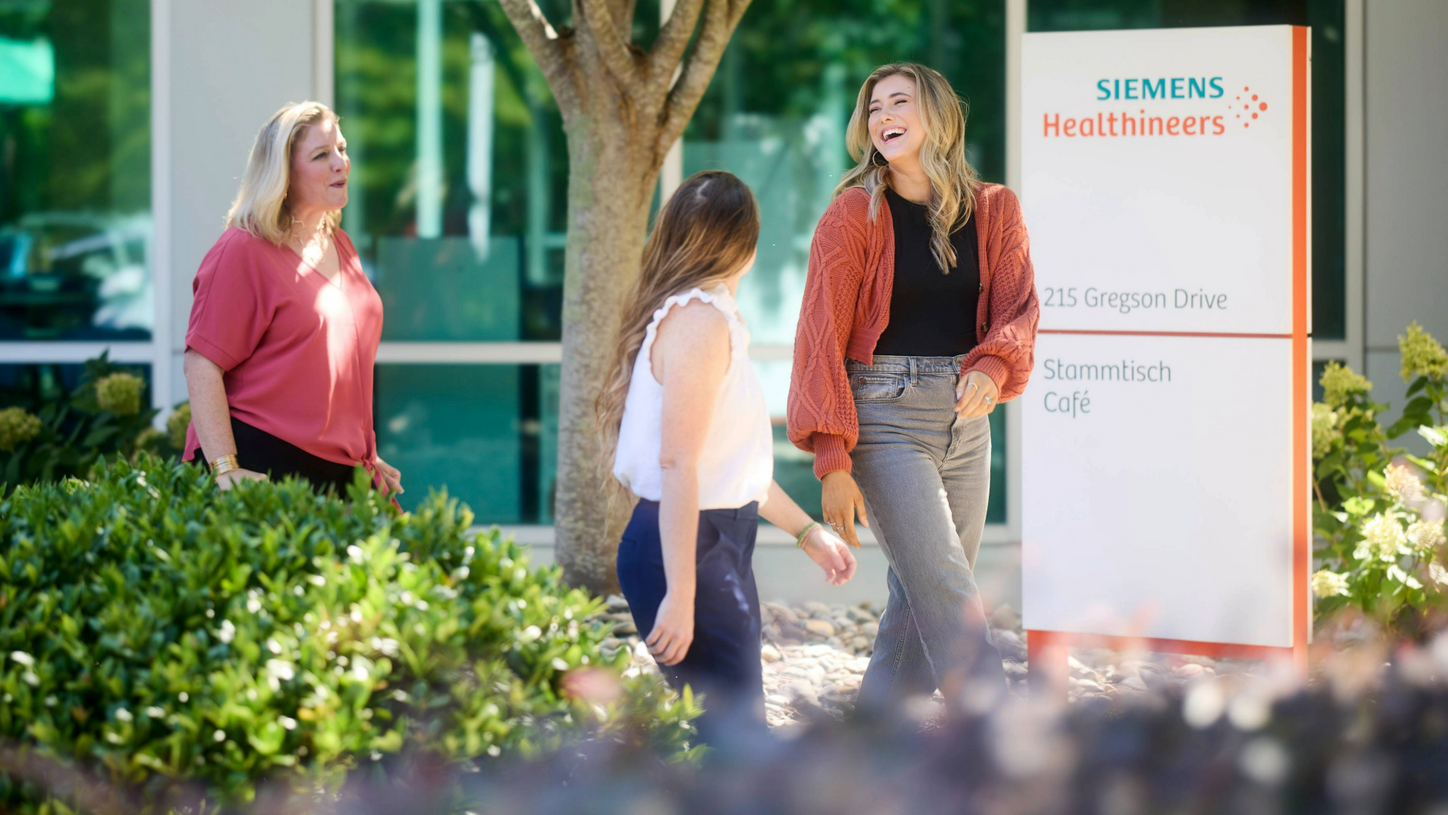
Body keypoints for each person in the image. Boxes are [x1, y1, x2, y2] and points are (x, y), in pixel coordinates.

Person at [787, 63, 1040, 710]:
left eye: (899, 102)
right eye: (873, 108)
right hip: (885, 417)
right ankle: (1001, 737)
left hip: (966, 420)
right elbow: (820, 337)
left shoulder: (996, 209)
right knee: (949, 589)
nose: (883, 116)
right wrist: (831, 458)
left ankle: (868, 749)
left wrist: (992, 364)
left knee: (918, 598)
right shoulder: (852, 216)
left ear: (938, 117)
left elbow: (1018, 308)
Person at [598, 170, 858, 747]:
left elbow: (729, 464)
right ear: (747, 245)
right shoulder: (700, 320)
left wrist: (807, 532)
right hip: (690, 550)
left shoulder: (703, 316)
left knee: (726, 739)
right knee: (733, 743)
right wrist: (682, 596)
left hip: (706, 546)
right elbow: (678, 467)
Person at [182, 101, 402, 497]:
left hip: (344, 470)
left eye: (342, 148)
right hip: (263, 464)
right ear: (283, 175)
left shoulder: (340, 244)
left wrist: (362, 452)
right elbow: (201, 363)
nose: (341, 163)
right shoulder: (244, 249)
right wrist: (225, 470)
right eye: (322, 155)